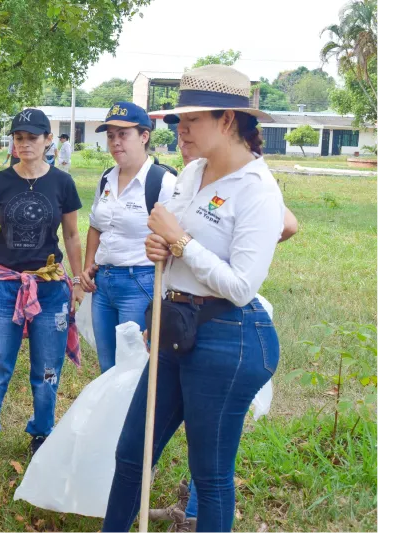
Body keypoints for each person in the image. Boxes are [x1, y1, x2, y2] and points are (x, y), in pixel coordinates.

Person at [101, 65, 287, 535]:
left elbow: (241, 286)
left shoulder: (257, 189)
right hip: (175, 327)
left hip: (228, 338)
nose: (180, 130)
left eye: (192, 120)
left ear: (228, 120)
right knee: (132, 453)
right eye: (178, 120)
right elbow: (174, 241)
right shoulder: (192, 172)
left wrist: (180, 241)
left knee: (210, 475)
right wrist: (161, 248)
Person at [0, 108, 85, 463]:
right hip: (4, 286)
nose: (25, 144)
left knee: (47, 369)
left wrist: (77, 281)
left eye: (32, 137)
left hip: (50, 288)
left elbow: (72, 236)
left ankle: (42, 433)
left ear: (48, 140)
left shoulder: (62, 183)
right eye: (19, 137)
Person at [79, 102, 180, 374]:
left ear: (144, 136)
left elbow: (178, 237)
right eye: (111, 136)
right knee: (108, 368)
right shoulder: (106, 178)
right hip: (103, 285)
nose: (115, 142)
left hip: (140, 284)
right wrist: (87, 268)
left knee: (134, 369)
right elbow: (95, 226)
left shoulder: (163, 182)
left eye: (123, 134)